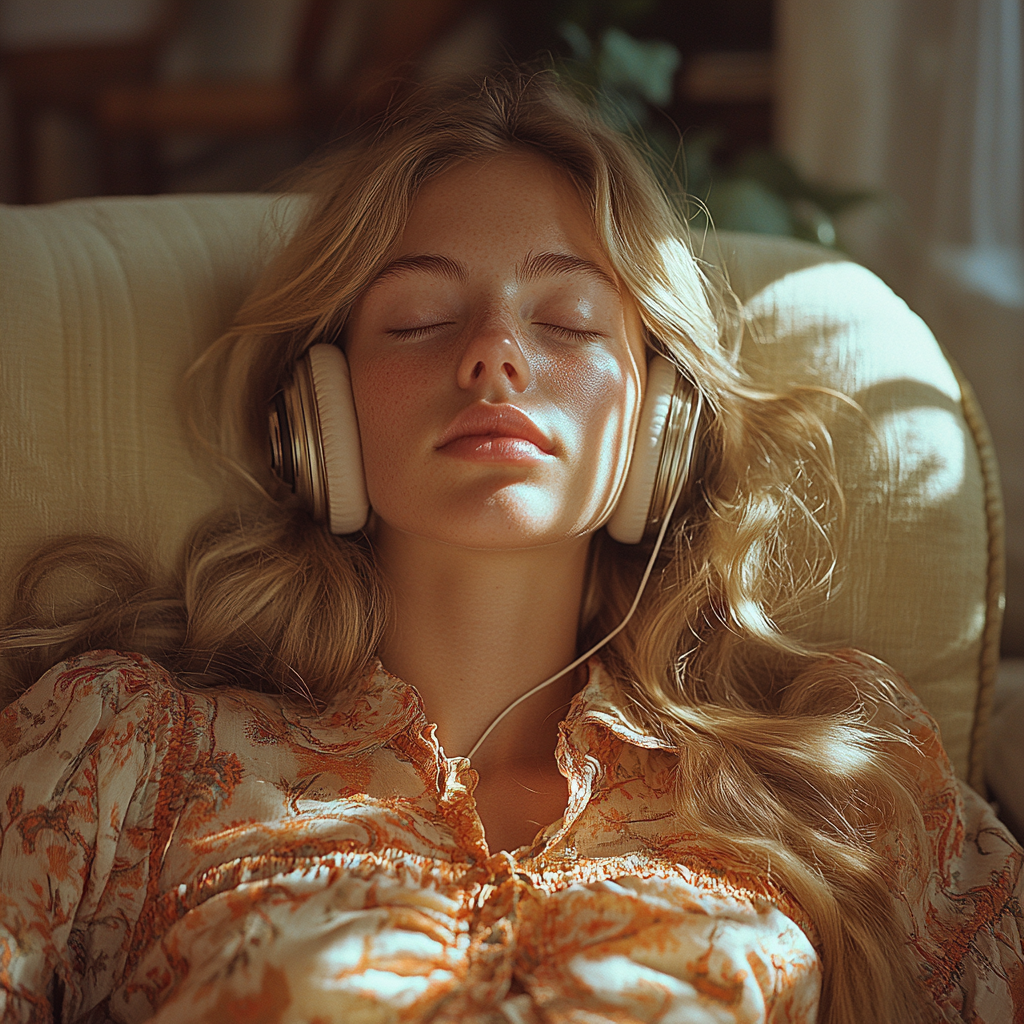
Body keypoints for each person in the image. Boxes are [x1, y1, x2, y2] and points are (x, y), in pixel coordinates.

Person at [0, 71, 1020, 1024]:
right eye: (420, 317)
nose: (494, 353)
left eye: (569, 320)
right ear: (320, 414)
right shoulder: (122, 755)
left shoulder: (837, 781)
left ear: (659, 419)